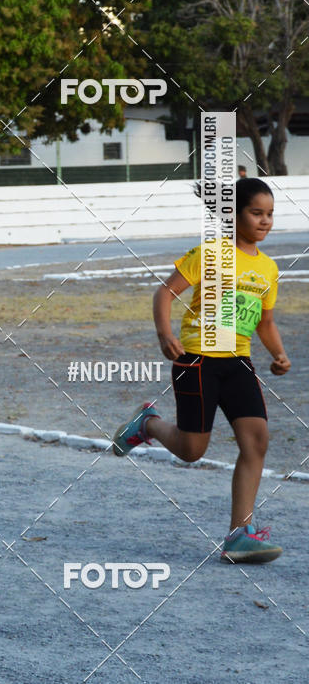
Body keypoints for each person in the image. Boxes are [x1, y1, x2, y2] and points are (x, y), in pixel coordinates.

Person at [113, 178, 291, 564]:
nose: (264, 221)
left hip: (239, 362)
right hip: (198, 361)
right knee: (193, 451)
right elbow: (165, 292)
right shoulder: (211, 252)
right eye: (256, 213)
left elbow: (265, 321)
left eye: (270, 214)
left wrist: (278, 354)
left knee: (256, 442)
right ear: (234, 214)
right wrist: (165, 334)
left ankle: (239, 535)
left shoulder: (269, 269)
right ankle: (149, 424)